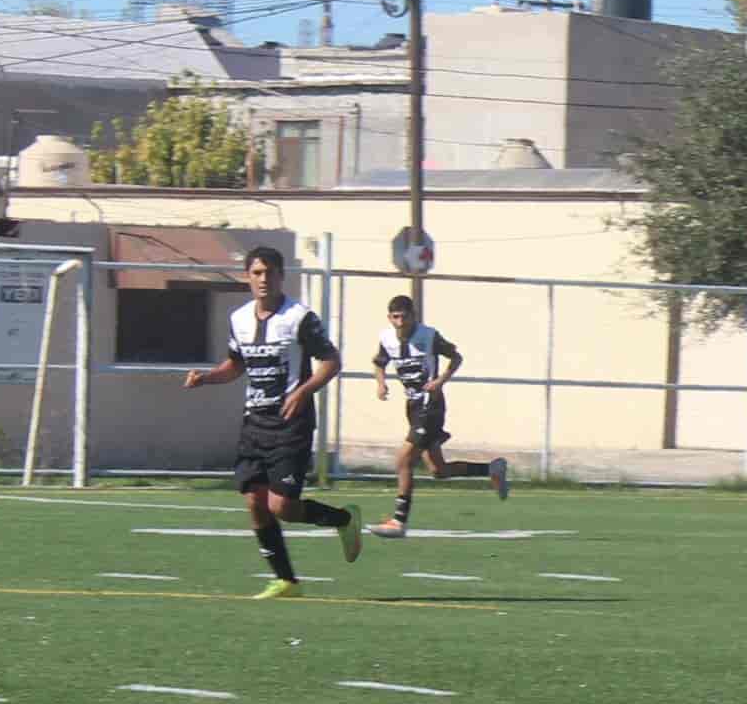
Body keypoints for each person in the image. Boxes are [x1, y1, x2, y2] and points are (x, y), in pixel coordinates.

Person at [181, 247, 362, 601]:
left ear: (282, 276)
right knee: (254, 501)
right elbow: (235, 365)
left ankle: (343, 520)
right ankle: (286, 581)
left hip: (291, 424)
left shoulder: (299, 318)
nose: (264, 280)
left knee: (282, 507)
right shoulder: (239, 319)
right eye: (257, 273)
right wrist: (206, 378)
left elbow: (331, 361)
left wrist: (305, 390)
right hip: (255, 423)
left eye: (270, 273)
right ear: (248, 276)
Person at [367, 294, 510, 539]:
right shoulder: (386, 338)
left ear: (413, 316)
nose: (400, 322)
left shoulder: (429, 336)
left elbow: (456, 357)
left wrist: (440, 381)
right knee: (438, 470)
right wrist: (380, 384)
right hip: (412, 406)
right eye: (395, 317)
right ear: (389, 318)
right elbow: (379, 362)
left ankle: (399, 521)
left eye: (404, 316)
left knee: (403, 461)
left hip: (430, 406)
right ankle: (492, 469)